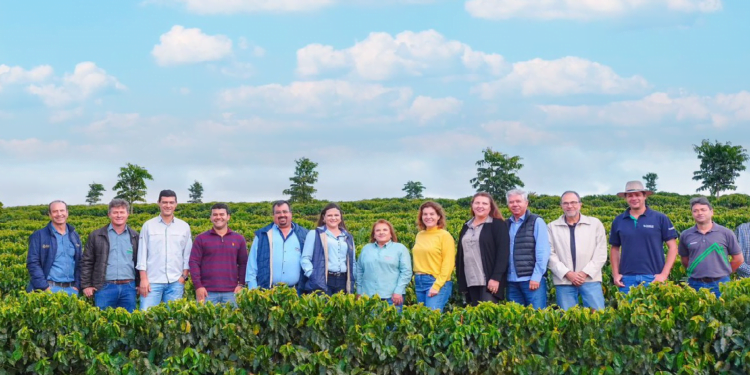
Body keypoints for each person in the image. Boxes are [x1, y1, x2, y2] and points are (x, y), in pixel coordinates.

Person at [609, 181, 678, 294]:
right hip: (627, 280)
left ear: (644, 196)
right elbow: (614, 249)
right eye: (630, 195)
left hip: (654, 278)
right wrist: (616, 274)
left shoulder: (660, 218)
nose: (634, 198)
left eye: (637, 195)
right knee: (627, 311)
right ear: (625, 198)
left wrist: (664, 274)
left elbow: (673, 247)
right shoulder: (618, 220)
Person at [547, 191, 607, 310]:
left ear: (580, 204)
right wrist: (567, 273)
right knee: (568, 321)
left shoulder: (595, 224)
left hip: (591, 279)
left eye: (573, 202)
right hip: (564, 281)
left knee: (598, 319)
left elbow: (601, 252)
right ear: (561, 206)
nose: (570, 206)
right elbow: (549, 254)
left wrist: (584, 273)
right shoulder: (551, 227)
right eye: (566, 203)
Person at [136, 190, 192, 310]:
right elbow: (142, 254)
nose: (168, 205)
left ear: (176, 204)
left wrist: (184, 277)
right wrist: (143, 279)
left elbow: (187, 254)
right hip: (152, 282)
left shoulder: (184, 227)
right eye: (164, 202)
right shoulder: (148, 226)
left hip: (176, 282)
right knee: (146, 318)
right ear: (158, 203)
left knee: (174, 320)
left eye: (171, 202)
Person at [80, 199, 139, 312]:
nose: (119, 215)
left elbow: (139, 261)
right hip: (104, 287)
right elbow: (87, 261)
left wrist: (139, 283)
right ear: (109, 214)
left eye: (122, 212)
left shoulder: (135, 236)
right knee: (103, 322)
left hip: (129, 287)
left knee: (128, 322)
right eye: (115, 212)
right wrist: (86, 285)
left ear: (128, 214)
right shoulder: (96, 235)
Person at [679, 197, 744, 297]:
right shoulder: (685, 234)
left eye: (703, 210)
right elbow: (684, 259)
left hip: (721, 283)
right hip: (695, 283)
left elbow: (738, 259)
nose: (699, 213)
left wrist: (724, 272)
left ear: (711, 212)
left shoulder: (726, 233)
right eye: (695, 211)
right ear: (692, 214)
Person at [455, 192, 510, 306]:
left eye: (484, 203)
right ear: (472, 205)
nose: (480, 206)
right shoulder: (466, 226)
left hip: (489, 281)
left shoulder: (497, 225)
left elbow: (503, 254)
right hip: (471, 280)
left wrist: (496, 278)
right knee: (475, 318)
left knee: (487, 318)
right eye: (477, 203)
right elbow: (460, 255)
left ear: (490, 207)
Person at [189, 203, 248, 306]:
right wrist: (198, 286)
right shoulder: (201, 239)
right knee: (205, 321)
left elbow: (243, 263)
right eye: (215, 214)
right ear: (211, 217)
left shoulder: (239, 239)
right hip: (207, 292)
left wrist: (241, 284)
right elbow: (194, 263)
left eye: (222, 214)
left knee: (233, 321)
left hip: (232, 292)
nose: (218, 217)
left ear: (228, 217)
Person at [246, 200, 309, 292]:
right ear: (273, 215)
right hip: (268, 291)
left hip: (297, 291)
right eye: (278, 212)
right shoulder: (263, 235)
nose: (282, 215)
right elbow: (252, 265)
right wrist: (253, 290)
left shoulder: (305, 235)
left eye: (285, 212)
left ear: (291, 214)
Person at [26, 200, 82, 296]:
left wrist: (77, 286)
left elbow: (80, 261)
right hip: (49, 289)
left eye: (62, 210)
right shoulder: (39, 235)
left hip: (72, 290)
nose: (59, 214)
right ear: (50, 214)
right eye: (55, 211)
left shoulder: (74, 235)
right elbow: (33, 263)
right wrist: (44, 288)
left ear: (67, 213)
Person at [506, 189, 550, 309]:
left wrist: (536, 277)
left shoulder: (536, 221)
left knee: (537, 318)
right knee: (515, 320)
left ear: (526, 203)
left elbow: (543, 251)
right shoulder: (506, 224)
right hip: (511, 281)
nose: (515, 204)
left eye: (518, 201)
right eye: (511, 202)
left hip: (531, 280)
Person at [356, 219, 413, 312]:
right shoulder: (366, 249)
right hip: (368, 297)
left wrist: (398, 292)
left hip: (392, 297)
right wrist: (359, 291)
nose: (381, 232)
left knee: (392, 325)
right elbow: (359, 271)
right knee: (370, 325)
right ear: (374, 234)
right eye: (378, 230)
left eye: (385, 230)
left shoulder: (400, 248)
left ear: (391, 233)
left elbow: (406, 272)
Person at [301, 203, 356, 295]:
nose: (333, 218)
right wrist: (313, 275)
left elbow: (353, 261)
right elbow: (305, 258)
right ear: (324, 218)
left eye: (336, 215)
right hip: (323, 279)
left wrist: (353, 277)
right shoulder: (315, 234)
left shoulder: (348, 237)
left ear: (340, 218)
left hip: (343, 280)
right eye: (329, 215)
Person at [412, 201, 455, 312]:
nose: (428, 217)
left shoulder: (444, 236)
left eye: (432, 214)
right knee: (422, 320)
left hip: (435, 281)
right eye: (425, 214)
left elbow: (448, 263)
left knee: (431, 317)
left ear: (438, 216)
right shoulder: (420, 235)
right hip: (419, 281)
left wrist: (437, 285)